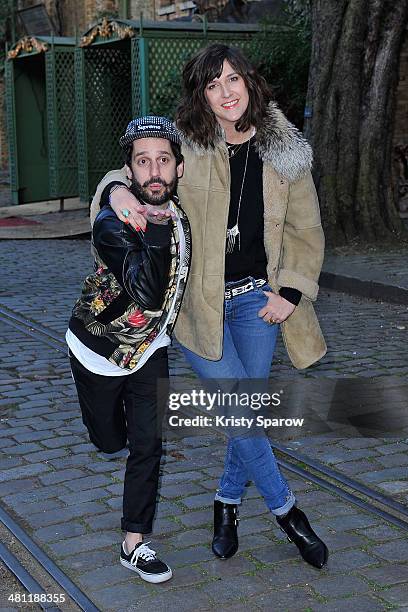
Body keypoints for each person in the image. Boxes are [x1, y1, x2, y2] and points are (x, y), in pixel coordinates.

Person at [90, 44, 329, 569]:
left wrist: (290, 290)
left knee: (244, 413)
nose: (225, 93)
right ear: (202, 94)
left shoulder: (285, 150)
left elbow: (305, 230)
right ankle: (289, 514)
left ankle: (226, 502)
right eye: (213, 84)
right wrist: (115, 195)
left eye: (233, 80)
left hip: (257, 305)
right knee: (243, 411)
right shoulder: (187, 143)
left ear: (249, 82)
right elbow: (133, 169)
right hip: (198, 310)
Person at [67, 116, 191, 583]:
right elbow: (146, 292)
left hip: (150, 351)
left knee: (148, 445)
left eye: (163, 161)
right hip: (98, 352)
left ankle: (134, 542)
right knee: (110, 442)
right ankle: (105, 433)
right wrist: (146, 222)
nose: (154, 171)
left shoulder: (180, 209)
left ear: (179, 168)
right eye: (143, 163)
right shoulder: (112, 222)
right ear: (129, 171)